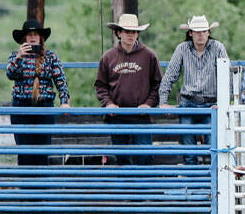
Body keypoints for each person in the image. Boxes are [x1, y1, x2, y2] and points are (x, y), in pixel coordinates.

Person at [159, 15, 229, 165]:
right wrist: (163, 101)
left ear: (208, 32)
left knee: (213, 148)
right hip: (188, 103)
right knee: (188, 149)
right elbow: (170, 75)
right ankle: (192, 184)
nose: (200, 34)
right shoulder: (182, 48)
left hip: (211, 104)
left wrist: (223, 103)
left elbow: (226, 76)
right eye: (197, 31)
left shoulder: (218, 47)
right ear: (190, 33)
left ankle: (212, 186)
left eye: (203, 31)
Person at [94, 13, 162, 166]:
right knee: (122, 157)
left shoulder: (149, 56)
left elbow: (158, 85)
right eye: (127, 31)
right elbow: (100, 85)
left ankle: (144, 190)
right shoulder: (108, 57)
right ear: (119, 33)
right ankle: (124, 189)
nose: (131, 35)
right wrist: (108, 103)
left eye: (134, 31)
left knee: (145, 156)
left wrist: (149, 104)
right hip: (117, 115)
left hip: (142, 116)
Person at [6, 19, 70, 166]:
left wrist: (65, 101)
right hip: (21, 107)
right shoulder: (15, 56)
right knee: (24, 151)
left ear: (41, 37)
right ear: (24, 38)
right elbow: (10, 74)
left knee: (43, 151)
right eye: (29, 35)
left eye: (36, 34)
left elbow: (60, 80)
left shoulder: (51, 57)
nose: (33, 37)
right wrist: (19, 57)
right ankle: (26, 188)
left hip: (44, 107)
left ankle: (42, 187)